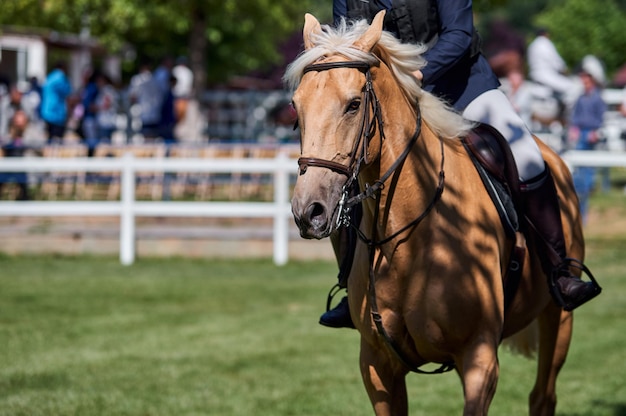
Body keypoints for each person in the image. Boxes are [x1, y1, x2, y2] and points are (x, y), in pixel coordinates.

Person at [320, 0, 600, 328]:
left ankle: (559, 271)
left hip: (463, 87)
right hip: (391, 104)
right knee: (341, 174)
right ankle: (350, 287)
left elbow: (459, 34)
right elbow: (345, 45)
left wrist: (415, 72)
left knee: (526, 156)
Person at [568, 57, 607, 224]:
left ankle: (583, 213)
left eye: (586, 77)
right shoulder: (581, 98)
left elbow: (601, 119)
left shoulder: (597, 98)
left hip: (591, 134)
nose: (583, 81)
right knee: (578, 175)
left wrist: (595, 132)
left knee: (587, 174)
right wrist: (574, 128)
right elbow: (575, 117)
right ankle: (578, 212)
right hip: (581, 134)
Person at [526, 28, 578, 109]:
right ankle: (567, 111)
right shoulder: (545, 43)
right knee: (573, 88)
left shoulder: (532, 45)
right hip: (546, 75)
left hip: (535, 76)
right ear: (546, 34)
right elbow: (554, 60)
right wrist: (564, 69)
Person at [40, 61, 72, 144]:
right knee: (57, 140)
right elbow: (67, 92)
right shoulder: (60, 77)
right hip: (56, 113)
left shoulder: (49, 77)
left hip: (46, 112)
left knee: (49, 139)